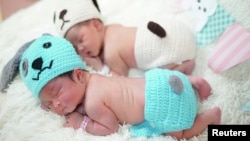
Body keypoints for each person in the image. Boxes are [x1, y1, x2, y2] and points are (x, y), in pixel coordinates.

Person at [18, 34, 221, 140]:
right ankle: (193, 81)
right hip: (162, 81)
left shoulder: (92, 104)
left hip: (162, 104)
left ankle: (210, 117)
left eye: (57, 93)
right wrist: (53, 99)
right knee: (162, 78)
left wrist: (82, 122)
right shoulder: (96, 78)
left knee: (178, 135)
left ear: (79, 75)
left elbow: (110, 127)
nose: (57, 105)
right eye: (48, 103)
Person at [53, 0, 197, 76]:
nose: (80, 48)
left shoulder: (111, 53)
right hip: (179, 30)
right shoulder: (113, 28)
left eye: (81, 39)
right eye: (75, 47)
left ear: (96, 25)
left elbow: (119, 77)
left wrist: (100, 67)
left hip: (172, 51)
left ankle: (181, 67)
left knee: (157, 75)